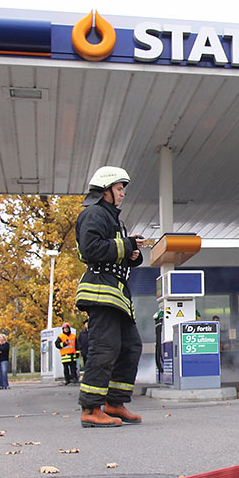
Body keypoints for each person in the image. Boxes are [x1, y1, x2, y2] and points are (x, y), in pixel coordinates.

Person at [75, 165, 146, 428]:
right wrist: (127, 245)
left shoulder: (113, 219)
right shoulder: (93, 214)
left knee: (130, 347)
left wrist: (132, 255)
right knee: (104, 349)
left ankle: (114, 403)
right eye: (119, 189)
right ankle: (91, 408)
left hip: (116, 294)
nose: (123, 194)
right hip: (100, 291)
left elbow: (113, 252)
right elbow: (91, 249)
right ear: (105, 191)